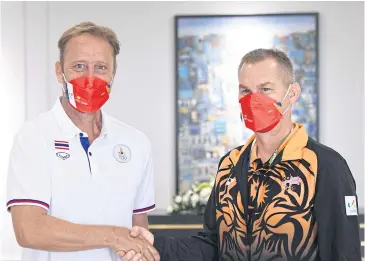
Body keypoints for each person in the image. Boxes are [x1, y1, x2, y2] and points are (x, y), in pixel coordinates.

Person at [124, 48, 362, 261]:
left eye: (265, 89)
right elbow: (211, 245)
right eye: (245, 90)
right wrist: (156, 246)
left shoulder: (325, 165)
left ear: (292, 93)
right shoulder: (230, 164)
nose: (253, 99)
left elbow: (343, 253)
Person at [6, 21, 160, 261]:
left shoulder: (136, 143)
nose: (90, 78)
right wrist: (113, 235)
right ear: (60, 72)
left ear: (113, 73)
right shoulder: (34, 137)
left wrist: (137, 251)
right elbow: (29, 230)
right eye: (79, 66)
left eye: (100, 67)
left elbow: (137, 228)